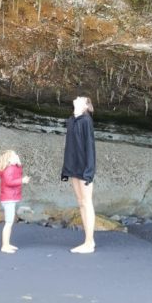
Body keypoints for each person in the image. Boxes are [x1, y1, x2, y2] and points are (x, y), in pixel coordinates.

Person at [61, 95, 96, 253]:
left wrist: (89, 171)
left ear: (85, 106)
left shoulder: (86, 121)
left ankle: (89, 242)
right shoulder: (72, 120)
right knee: (81, 202)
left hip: (83, 168)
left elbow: (90, 146)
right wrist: (66, 169)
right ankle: (89, 241)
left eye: (80, 97)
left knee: (87, 202)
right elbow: (69, 147)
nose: (76, 97)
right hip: (74, 167)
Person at [0, 149, 30, 253]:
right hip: (8, 198)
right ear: (9, 159)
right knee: (8, 222)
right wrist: (22, 180)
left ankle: (7, 243)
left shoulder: (12, 167)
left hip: (9, 198)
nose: (17, 155)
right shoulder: (9, 168)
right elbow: (9, 181)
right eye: (14, 154)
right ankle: (5, 245)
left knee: (9, 222)